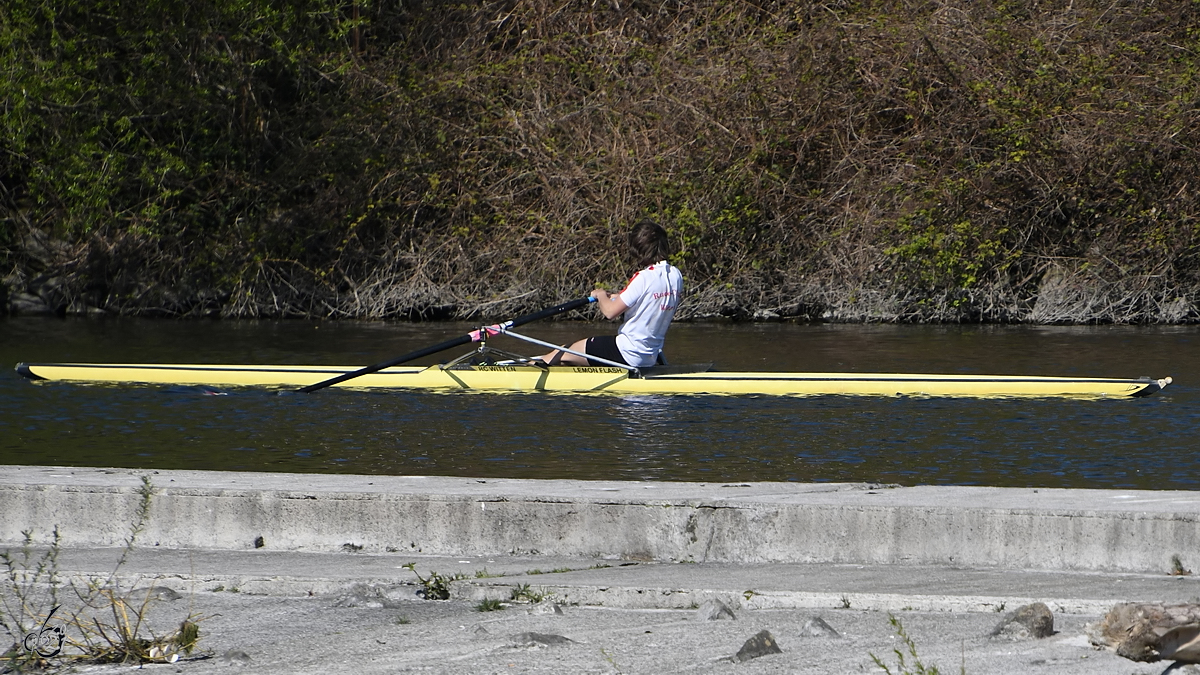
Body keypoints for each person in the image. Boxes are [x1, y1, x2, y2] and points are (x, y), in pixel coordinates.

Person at [535, 219, 684, 368]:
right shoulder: (675, 275)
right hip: (650, 356)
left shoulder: (643, 277)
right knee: (569, 356)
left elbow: (610, 312)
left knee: (563, 351)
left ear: (638, 248)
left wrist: (600, 295)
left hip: (627, 352)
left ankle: (529, 368)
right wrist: (615, 297)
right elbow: (649, 300)